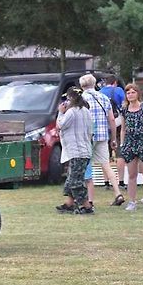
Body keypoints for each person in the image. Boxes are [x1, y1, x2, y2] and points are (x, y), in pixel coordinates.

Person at [79, 74, 124, 206]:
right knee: (106, 165)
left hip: (87, 137)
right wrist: (113, 138)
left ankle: (90, 200)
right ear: (94, 84)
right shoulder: (103, 97)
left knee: (87, 167)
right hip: (103, 135)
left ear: (82, 86)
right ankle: (118, 193)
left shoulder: (81, 99)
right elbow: (111, 119)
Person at [55, 87, 94, 215]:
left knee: (75, 181)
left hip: (76, 151)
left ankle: (86, 206)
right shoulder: (86, 111)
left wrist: (61, 112)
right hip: (85, 150)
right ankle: (69, 204)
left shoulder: (71, 112)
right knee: (72, 177)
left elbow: (60, 125)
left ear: (71, 98)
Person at [118, 83, 143, 211]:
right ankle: (132, 201)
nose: (130, 95)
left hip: (142, 142)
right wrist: (123, 144)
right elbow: (123, 129)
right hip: (130, 143)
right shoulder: (124, 109)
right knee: (132, 174)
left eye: (133, 92)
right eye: (128, 93)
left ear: (137, 93)